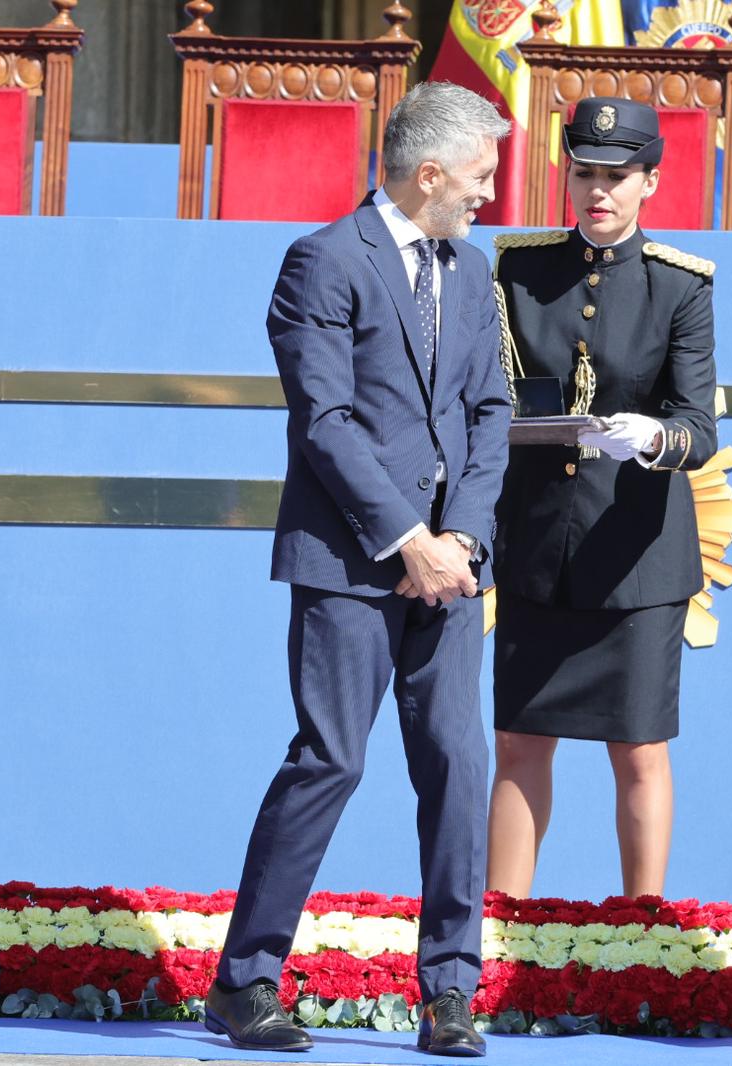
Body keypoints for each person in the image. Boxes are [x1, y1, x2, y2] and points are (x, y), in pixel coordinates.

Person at [201, 81, 511, 1059]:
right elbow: (325, 421)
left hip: (450, 570)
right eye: (479, 175)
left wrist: (460, 539)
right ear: (431, 173)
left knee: (458, 763)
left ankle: (450, 992)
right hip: (350, 563)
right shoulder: (324, 261)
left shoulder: (473, 270)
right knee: (329, 759)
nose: (489, 193)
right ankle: (243, 983)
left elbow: (491, 412)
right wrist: (406, 538)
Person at [485, 97, 718, 902]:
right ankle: (499, 924)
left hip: (634, 554)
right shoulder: (517, 271)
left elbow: (698, 427)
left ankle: (643, 931)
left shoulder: (679, 286)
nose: (599, 191)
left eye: (618, 176)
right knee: (519, 742)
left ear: (650, 181)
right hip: (537, 543)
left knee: (639, 750)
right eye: (585, 172)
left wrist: (652, 438)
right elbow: (490, 396)